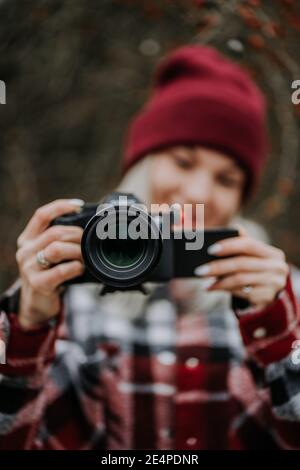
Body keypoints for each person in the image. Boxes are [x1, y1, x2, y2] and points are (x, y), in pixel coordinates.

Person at [1, 44, 300, 450]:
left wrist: (278, 336)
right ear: (143, 164)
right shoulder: (65, 286)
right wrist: (29, 323)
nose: (197, 192)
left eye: (226, 180)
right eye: (183, 161)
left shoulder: (282, 295)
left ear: (241, 199)